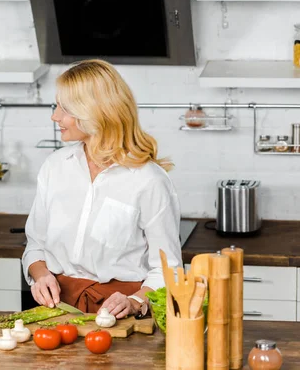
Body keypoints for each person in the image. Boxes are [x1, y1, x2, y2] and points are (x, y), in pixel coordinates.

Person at [22, 59, 182, 319]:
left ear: (95, 112)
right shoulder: (54, 167)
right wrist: (41, 277)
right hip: (55, 313)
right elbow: (35, 245)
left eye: (65, 108)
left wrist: (134, 302)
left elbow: (169, 270)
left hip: (121, 319)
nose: (55, 116)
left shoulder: (149, 180)